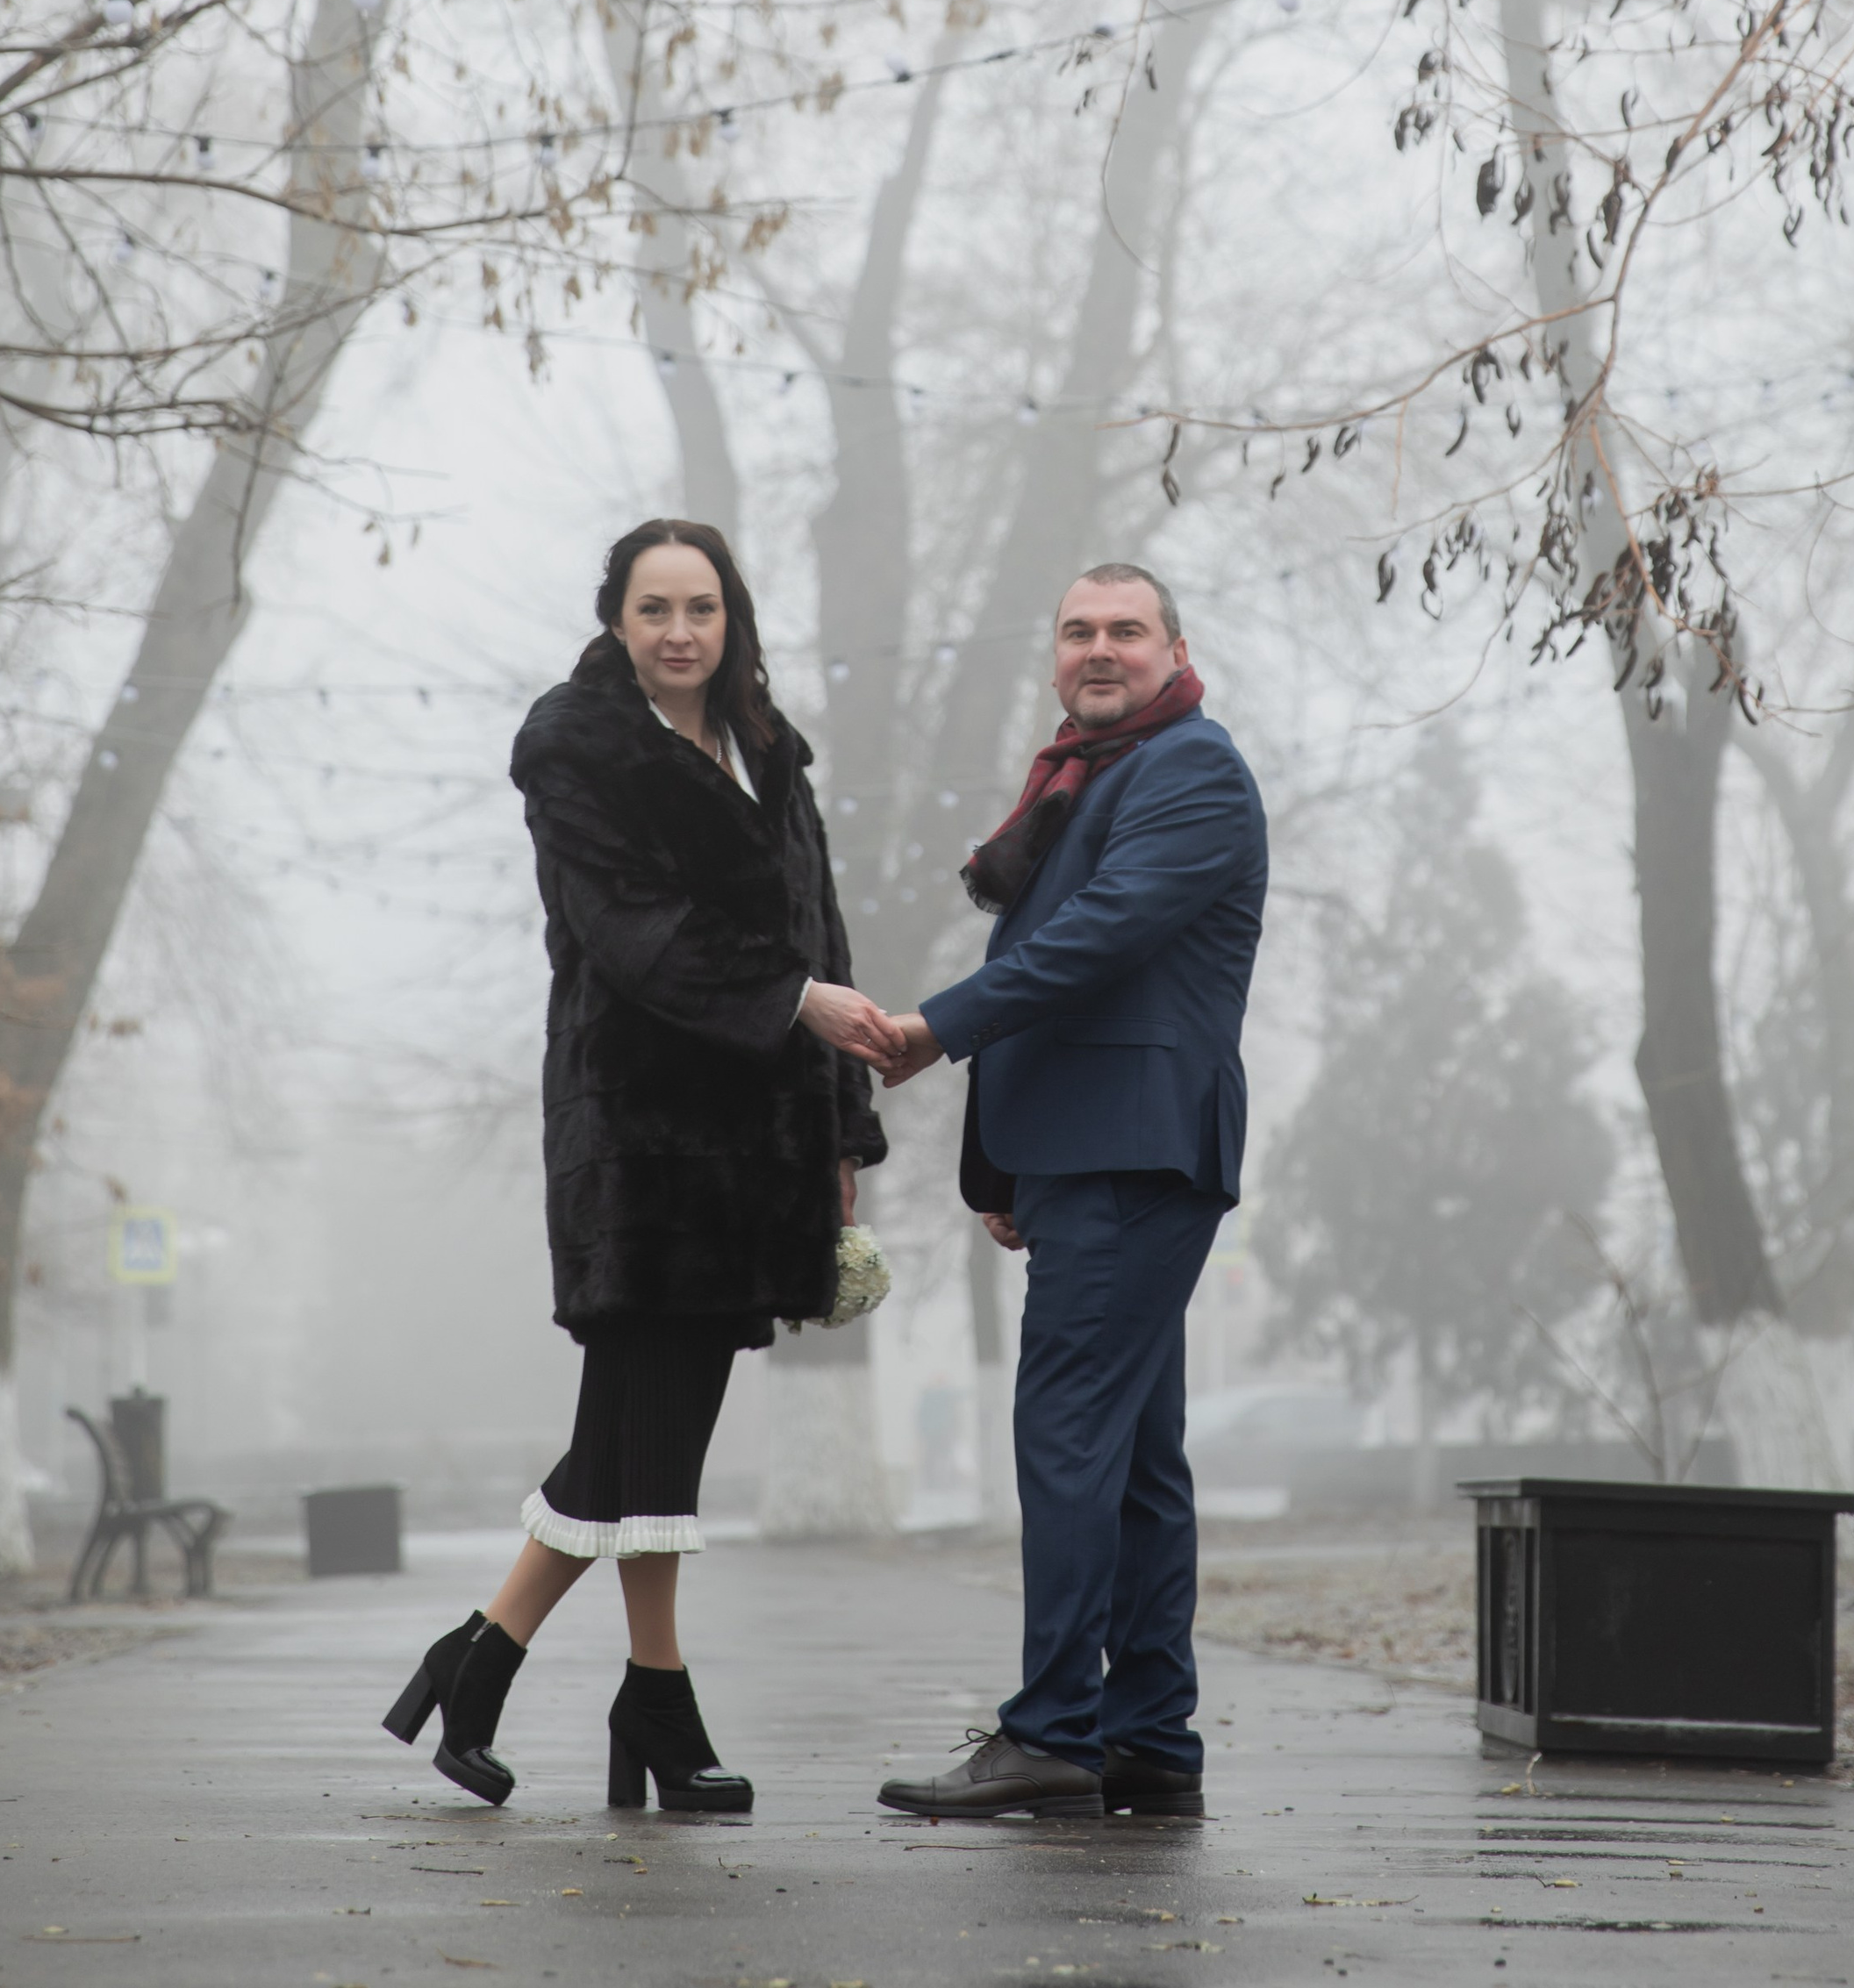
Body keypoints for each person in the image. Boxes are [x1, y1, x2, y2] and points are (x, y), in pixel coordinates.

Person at [382, 518, 898, 1813]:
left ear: (733, 621)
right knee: (647, 1427)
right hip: (642, 1137)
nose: (680, 630)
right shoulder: (577, 746)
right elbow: (632, 936)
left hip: (764, 1144)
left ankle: (489, 1662)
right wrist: (801, 1005)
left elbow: (820, 929)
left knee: (632, 1435)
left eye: (702, 607)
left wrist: (840, 1129)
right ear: (616, 615)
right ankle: (646, 1694)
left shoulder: (771, 750)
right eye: (655, 606)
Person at [874, 563, 1267, 1823]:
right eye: (1080, 630)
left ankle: (1052, 1730)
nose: (1102, 649)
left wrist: (934, 1028)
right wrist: (1007, 1164)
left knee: (1067, 1437)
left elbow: (1097, 936)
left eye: (1127, 630)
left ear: (1175, 647)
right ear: (1054, 656)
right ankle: (1149, 1734)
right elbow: (1072, 964)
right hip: (1094, 1154)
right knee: (1137, 1457)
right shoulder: (1090, 777)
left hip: (1134, 1152)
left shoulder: (1191, 768)